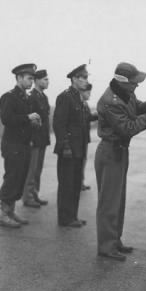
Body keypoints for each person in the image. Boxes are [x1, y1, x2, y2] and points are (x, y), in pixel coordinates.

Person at [95, 62, 146, 261]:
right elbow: (127, 127)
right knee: (109, 201)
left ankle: (115, 239)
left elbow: (135, 105)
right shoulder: (110, 101)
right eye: (134, 82)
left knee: (119, 199)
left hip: (119, 151)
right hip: (110, 151)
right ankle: (106, 247)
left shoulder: (126, 94)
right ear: (122, 81)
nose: (137, 85)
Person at [0, 63, 41, 228]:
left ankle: (11, 212)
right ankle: (4, 214)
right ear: (19, 78)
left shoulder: (26, 97)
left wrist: (33, 123)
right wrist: (28, 117)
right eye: (29, 78)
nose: (31, 82)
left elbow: (23, 120)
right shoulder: (9, 97)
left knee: (19, 178)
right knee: (11, 178)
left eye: (32, 78)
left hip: (23, 145)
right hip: (12, 145)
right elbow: (7, 120)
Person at [53, 64, 90, 228]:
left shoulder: (78, 98)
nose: (86, 81)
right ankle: (64, 218)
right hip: (69, 149)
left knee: (75, 184)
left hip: (79, 148)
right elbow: (59, 124)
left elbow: (83, 121)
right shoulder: (65, 97)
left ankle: (72, 216)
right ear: (75, 79)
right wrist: (65, 146)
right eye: (84, 77)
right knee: (67, 184)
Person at [23, 69, 51, 208]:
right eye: (45, 79)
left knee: (38, 169)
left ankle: (34, 194)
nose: (48, 82)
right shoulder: (31, 97)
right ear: (37, 81)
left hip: (42, 138)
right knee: (32, 168)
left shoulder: (43, 97)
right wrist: (31, 138)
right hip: (34, 138)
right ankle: (27, 197)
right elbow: (29, 120)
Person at [81, 83, 98, 191]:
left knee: (83, 161)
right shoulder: (80, 104)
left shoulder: (85, 104)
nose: (89, 95)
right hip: (79, 138)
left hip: (84, 138)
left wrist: (96, 114)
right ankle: (78, 182)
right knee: (79, 161)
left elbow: (88, 118)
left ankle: (80, 182)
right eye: (88, 92)